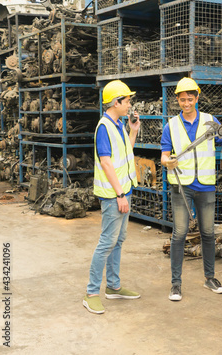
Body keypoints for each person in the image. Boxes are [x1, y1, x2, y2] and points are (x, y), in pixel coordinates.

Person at [161, 77, 222, 301]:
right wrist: (168, 162)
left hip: (205, 186)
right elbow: (164, 155)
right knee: (179, 234)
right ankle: (176, 284)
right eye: (182, 99)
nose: (186, 103)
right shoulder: (171, 126)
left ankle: (210, 278)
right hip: (181, 186)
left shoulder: (209, 120)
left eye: (190, 98)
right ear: (177, 100)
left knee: (208, 233)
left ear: (197, 97)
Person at [83, 80, 141, 314]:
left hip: (123, 191)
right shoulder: (104, 127)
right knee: (107, 242)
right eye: (127, 101)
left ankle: (114, 287)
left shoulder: (117, 125)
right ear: (116, 102)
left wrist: (133, 131)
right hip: (113, 195)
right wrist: (119, 195)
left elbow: (125, 152)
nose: (129, 105)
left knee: (118, 240)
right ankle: (91, 293)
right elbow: (106, 162)